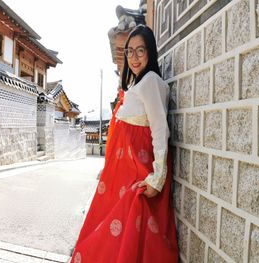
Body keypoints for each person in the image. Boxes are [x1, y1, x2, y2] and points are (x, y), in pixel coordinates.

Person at [71, 25, 179, 263]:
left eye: (141, 50)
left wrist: (157, 178)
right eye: (130, 51)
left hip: (137, 178)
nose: (134, 57)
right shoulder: (136, 86)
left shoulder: (150, 81)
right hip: (121, 178)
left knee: (123, 244)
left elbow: (160, 129)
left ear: (150, 52)